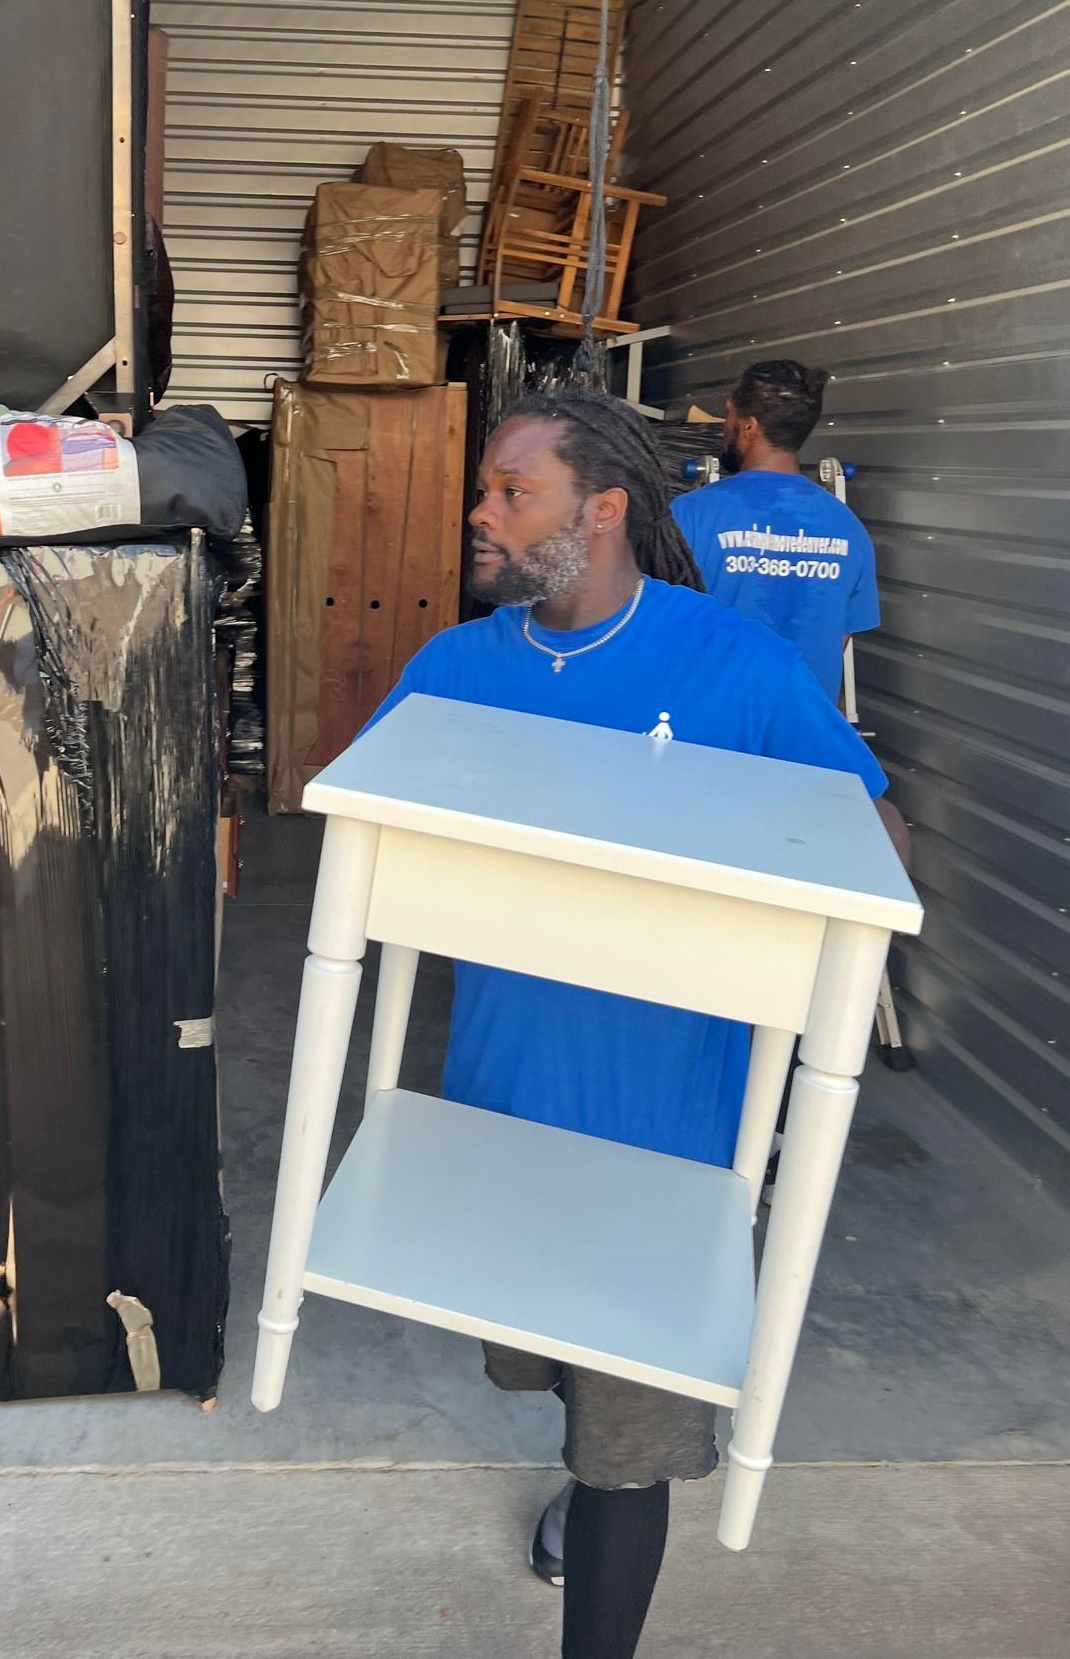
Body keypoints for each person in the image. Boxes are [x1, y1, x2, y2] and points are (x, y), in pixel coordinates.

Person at [364, 389, 905, 1659]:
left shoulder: (735, 666)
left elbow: (877, 840)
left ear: (602, 510)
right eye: (487, 488)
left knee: (628, 1445)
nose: (480, 510)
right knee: (547, 1369)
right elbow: (363, 843)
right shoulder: (457, 668)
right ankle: (587, 1475)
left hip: (671, 1134)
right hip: (502, 1114)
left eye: (512, 490)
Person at [670, 360, 879, 703]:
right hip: (798, 739)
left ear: (749, 427)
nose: (726, 426)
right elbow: (837, 639)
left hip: (708, 732)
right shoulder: (848, 528)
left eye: (729, 415)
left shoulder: (691, 514)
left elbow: (658, 628)